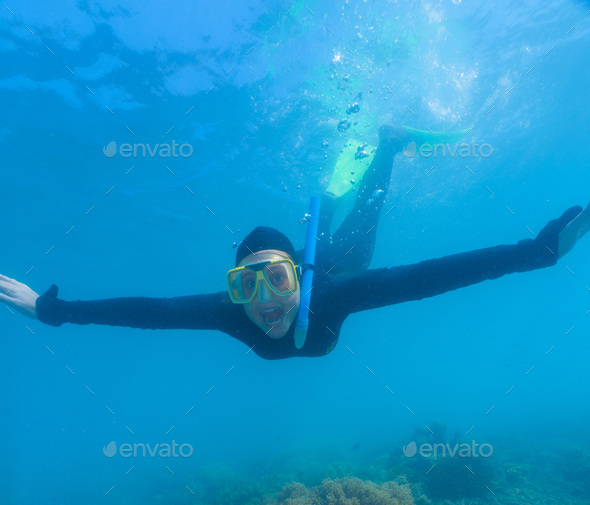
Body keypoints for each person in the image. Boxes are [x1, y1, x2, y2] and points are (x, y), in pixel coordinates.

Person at [2, 126, 589, 361]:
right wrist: (53, 311)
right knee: (335, 220)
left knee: (368, 215)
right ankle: (327, 205)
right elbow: (148, 314)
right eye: (247, 283)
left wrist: (532, 253)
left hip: (339, 266)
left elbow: (431, 276)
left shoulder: (335, 294)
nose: (263, 301)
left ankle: (387, 145)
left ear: (297, 278)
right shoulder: (231, 313)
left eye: (276, 278)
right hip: (317, 259)